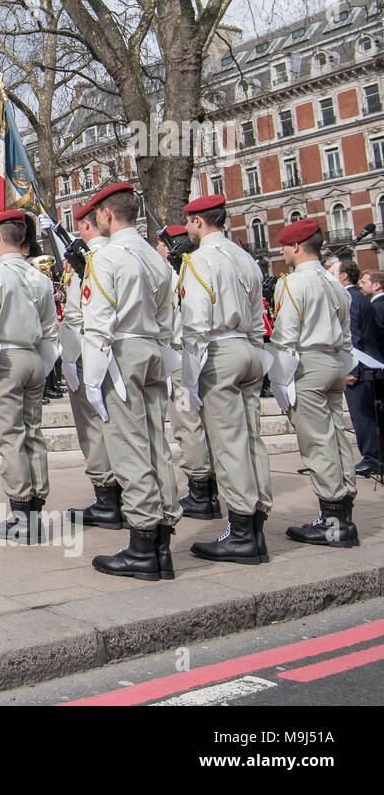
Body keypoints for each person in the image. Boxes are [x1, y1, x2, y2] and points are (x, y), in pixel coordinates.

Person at [80, 183, 179, 581]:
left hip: (120, 351)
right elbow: (169, 313)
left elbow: (98, 320)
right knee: (157, 443)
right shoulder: (155, 258)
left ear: (105, 215)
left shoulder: (106, 256)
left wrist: (91, 376)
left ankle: (141, 541)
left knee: (128, 445)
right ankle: (162, 541)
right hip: (153, 347)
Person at [177, 195, 273, 564]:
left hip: (218, 351)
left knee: (228, 442)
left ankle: (241, 530)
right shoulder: (245, 258)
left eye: (189, 222)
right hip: (248, 348)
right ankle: (257, 520)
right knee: (252, 438)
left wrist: (189, 378)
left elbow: (196, 322)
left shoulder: (200, 259)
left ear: (200, 222)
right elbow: (255, 315)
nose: (187, 229)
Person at [268, 219, 359, 547]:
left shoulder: (294, 283)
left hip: (308, 362)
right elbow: (347, 334)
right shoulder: (333, 282)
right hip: (335, 361)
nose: (282, 251)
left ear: (295, 247)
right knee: (336, 437)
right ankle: (344, 517)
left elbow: (285, 336)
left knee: (317, 443)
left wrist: (280, 380)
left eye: (284, 246)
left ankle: (332, 523)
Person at [0, 210, 59, 542]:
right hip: (35, 357)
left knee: (10, 437)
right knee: (33, 433)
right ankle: (34, 510)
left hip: (6, 359)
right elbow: (51, 331)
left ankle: (21, 512)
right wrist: (46, 365)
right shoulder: (40, 277)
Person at [154, 224, 221, 519]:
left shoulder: (171, 276)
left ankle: (200, 489)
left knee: (186, 424)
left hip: (181, 359)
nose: (157, 250)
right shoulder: (200, 269)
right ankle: (211, 486)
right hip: (202, 356)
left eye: (160, 245)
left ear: (170, 248)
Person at [62, 199, 120, 528]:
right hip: (124, 352)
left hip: (91, 349)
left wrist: (69, 356)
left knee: (92, 426)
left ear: (87, 225)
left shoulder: (92, 261)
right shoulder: (123, 254)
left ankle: (106, 497)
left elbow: (74, 314)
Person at [334, 260, 383, 476]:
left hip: (361, 368)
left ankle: (372, 457)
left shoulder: (350, 298)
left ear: (344, 277)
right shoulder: (360, 297)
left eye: (334, 274)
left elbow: (353, 335)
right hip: (369, 365)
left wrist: (351, 370)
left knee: (362, 416)